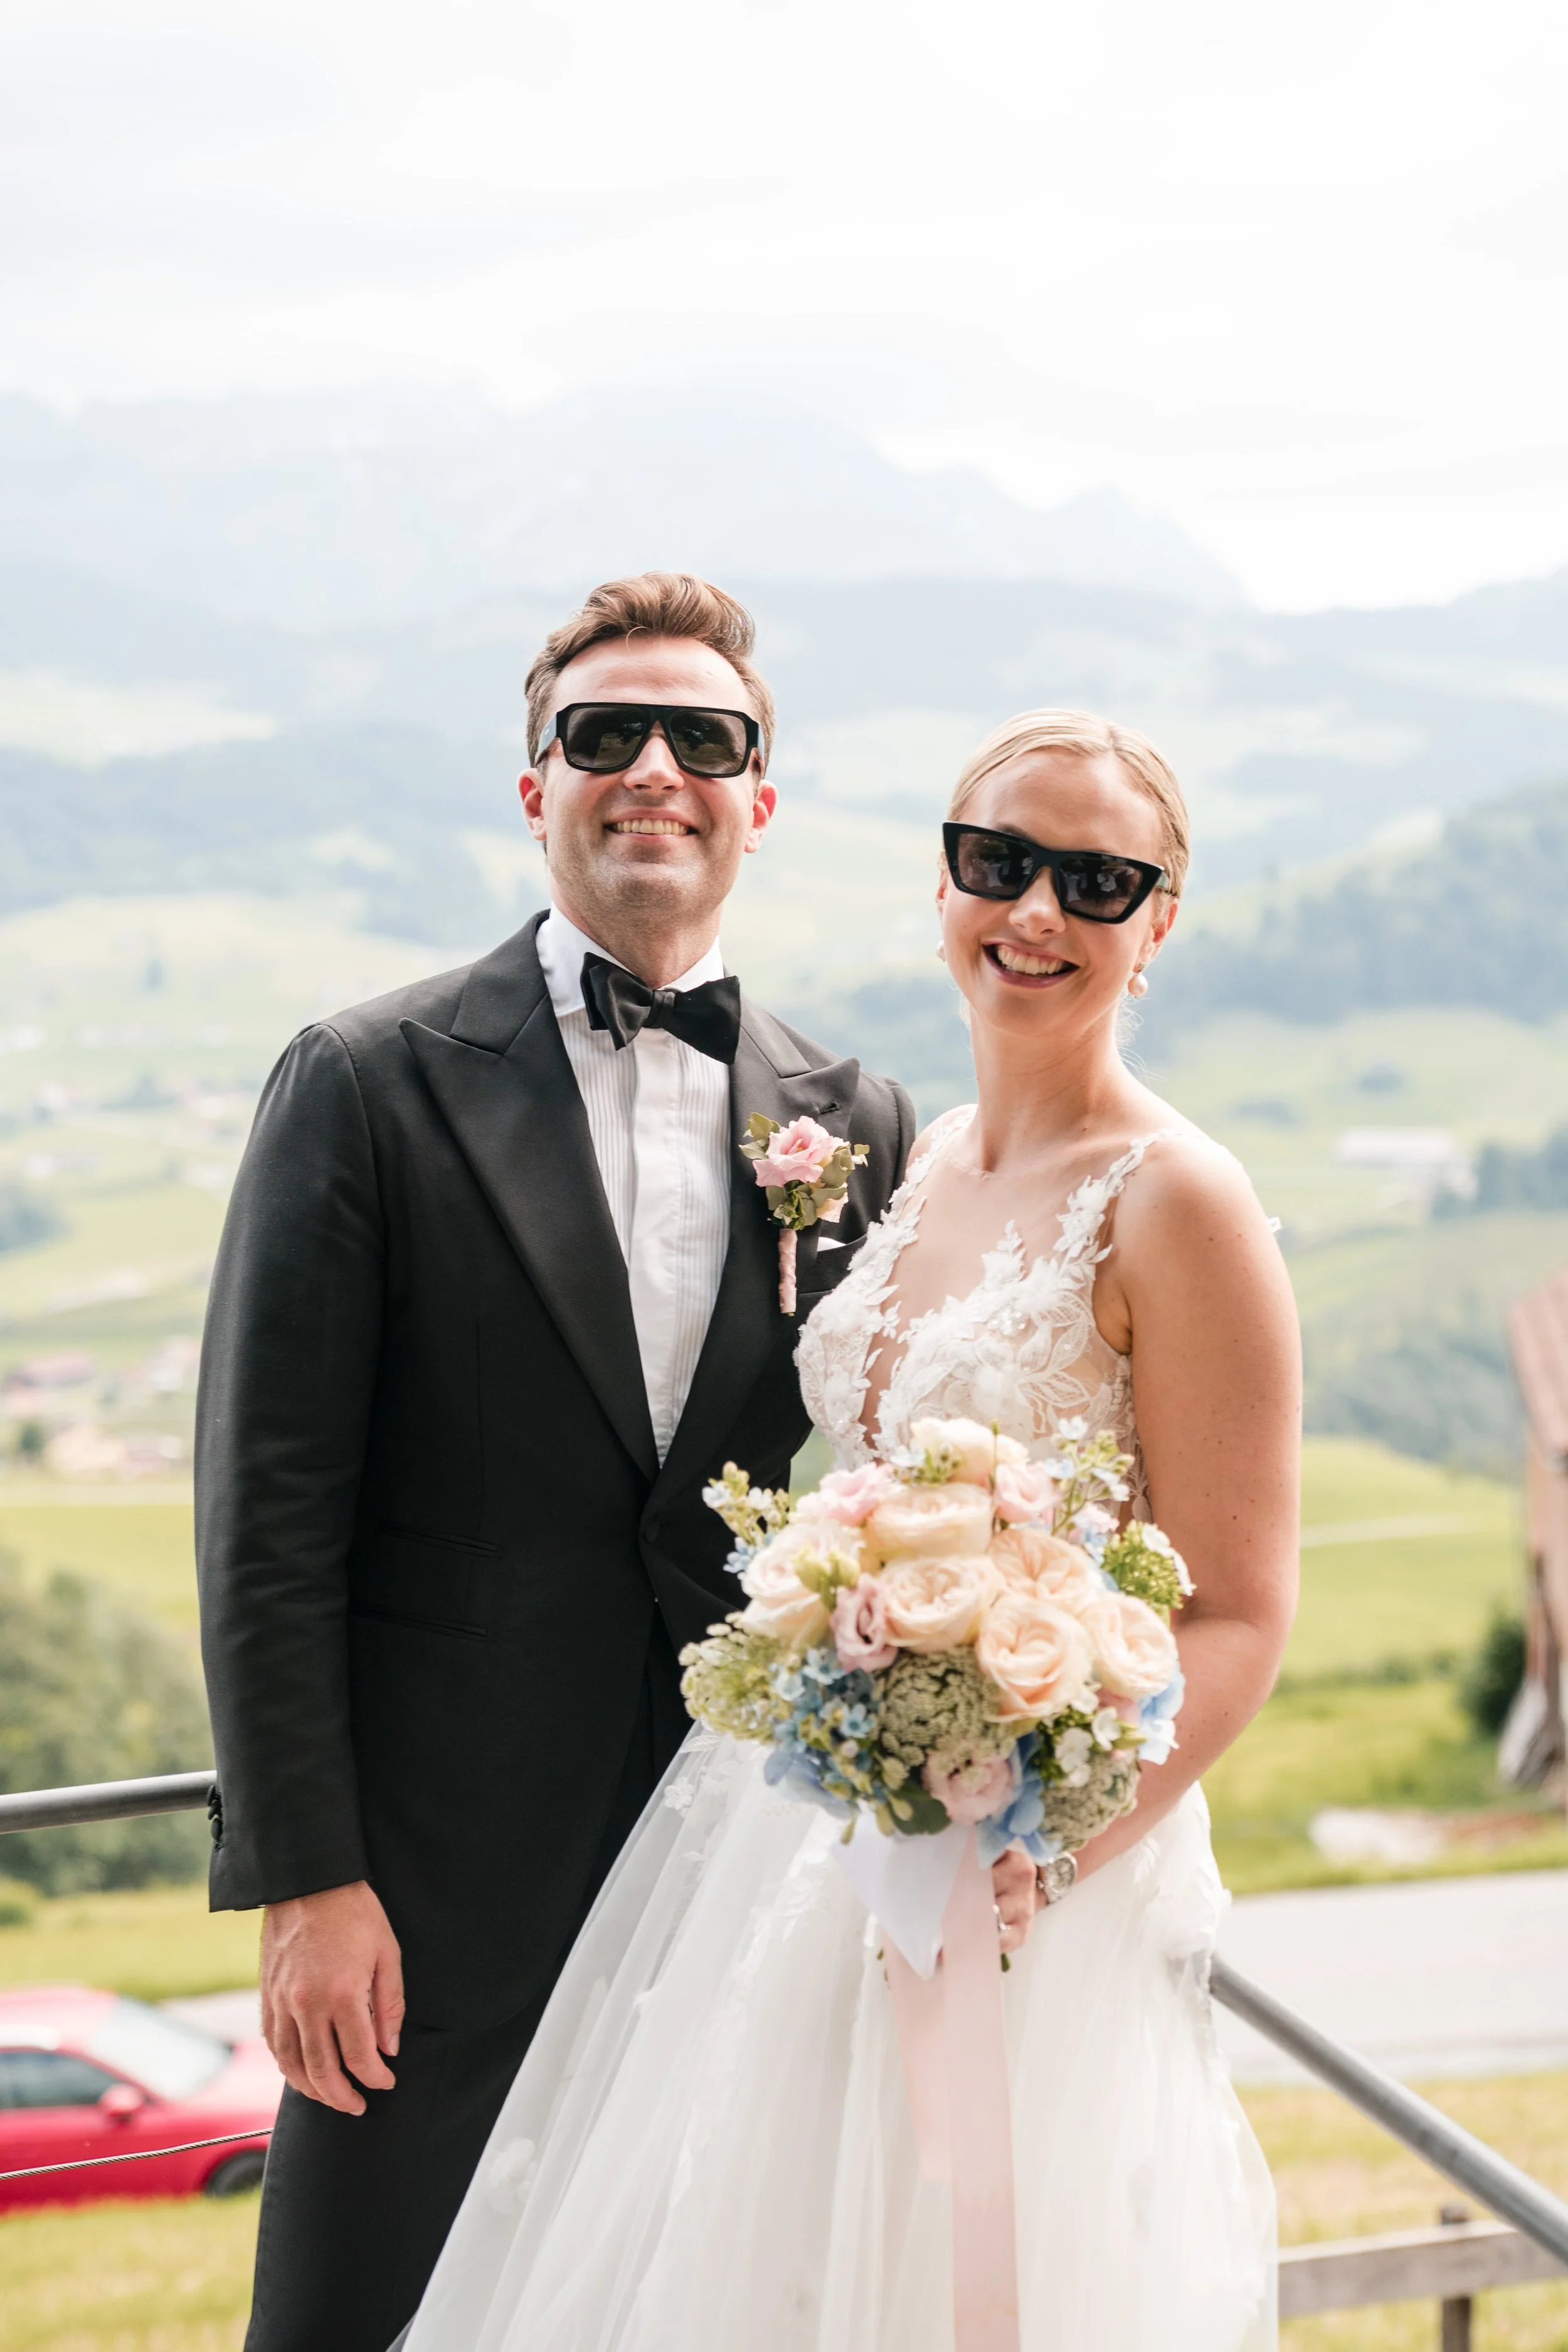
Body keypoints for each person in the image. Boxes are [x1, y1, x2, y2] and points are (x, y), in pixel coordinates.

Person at [398, 708, 1301, 2351]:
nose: (1035, 910)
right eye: (998, 860)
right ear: (943, 878)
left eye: (1096, 879)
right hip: (806, 1825)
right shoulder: (933, 1155)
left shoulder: (1181, 1199)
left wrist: (1035, 1850)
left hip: (1033, 1878)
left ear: (1157, 919)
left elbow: (1237, 1608)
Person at [194, 572, 916, 2352]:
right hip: (425, 1896)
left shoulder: (860, 1117)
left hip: (729, 1868)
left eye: (704, 738)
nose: (652, 768)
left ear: (762, 794)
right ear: (538, 787)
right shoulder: (363, 1080)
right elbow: (263, 1512)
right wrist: (308, 1879)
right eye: (604, 735)